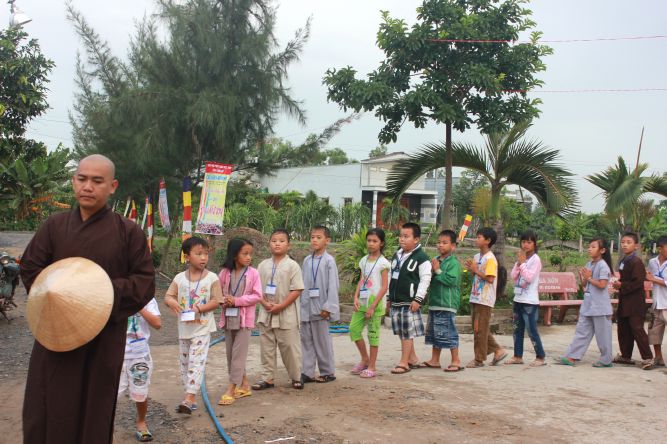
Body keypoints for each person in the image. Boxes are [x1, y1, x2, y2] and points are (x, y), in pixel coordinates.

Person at [20, 154, 155, 444]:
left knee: (93, 408)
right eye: (82, 179)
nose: (88, 187)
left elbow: (144, 283)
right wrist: (60, 297)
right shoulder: (54, 226)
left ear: (112, 186)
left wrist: (93, 295)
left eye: (97, 181)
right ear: (73, 181)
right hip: (55, 334)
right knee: (46, 405)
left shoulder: (128, 232)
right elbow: (31, 268)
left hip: (102, 337)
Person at [164, 236, 223, 414]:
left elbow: (217, 300)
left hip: (202, 328)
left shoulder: (212, 278)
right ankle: (190, 396)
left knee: (196, 362)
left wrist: (199, 308)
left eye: (206, 254)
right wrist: (171, 302)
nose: (203, 257)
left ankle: (189, 398)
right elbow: (168, 296)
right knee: (184, 362)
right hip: (184, 328)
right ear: (187, 256)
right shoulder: (179, 278)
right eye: (198, 253)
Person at [253, 229, 305, 390]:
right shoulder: (262, 265)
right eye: (274, 240)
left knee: (290, 347)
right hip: (266, 312)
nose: (277, 244)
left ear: (288, 245)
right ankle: (267, 378)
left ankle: (296, 377)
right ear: (269, 244)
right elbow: (256, 288)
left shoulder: (293, 266)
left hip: (286, 313)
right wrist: (264, 303)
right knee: (266, 348)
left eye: (282, 241)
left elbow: (297, 289)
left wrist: (281, 306)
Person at [217, 238, 262, 406]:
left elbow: (257, 296)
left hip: (244, 321)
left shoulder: (253, 273)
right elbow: (217, 293)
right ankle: (245, 385)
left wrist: (236, 300)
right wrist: (224, 300)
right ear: (235, 255)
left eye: (250, 254)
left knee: (237, 355)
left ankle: (231, 389)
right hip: (229, 318)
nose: (249, 257)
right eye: (245, 253)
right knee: (232, 354)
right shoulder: (224, 273)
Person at [558, 239, 614, 367]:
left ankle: (606, 360)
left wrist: (589, 277)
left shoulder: (603, 266)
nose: (589, 249)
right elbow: (584, 284)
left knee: (603, 336)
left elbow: (602, 285)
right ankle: (572, 357)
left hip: (600, 307)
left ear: (602, 250)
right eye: (589, 247)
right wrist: (584, 277)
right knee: (581, 331)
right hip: (588, 305)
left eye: (593, 247)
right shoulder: (589, 264)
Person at [387, 222, 432, 374]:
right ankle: (412, 358)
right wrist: (388, 297)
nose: (402, 239)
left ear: (416, 239)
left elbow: (425, 279)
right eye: (401, 236)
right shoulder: (397, 255)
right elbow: (390, 276)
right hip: (396, 300)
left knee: (407, 332)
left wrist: (418, 299)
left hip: (409, 300)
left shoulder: (422, 257)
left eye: (406, 236)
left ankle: (404, 362)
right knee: (401, 331)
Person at [118, 298, 162, 442]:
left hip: (140, 356)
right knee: (110, 394)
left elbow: (157, 323)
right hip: (116, 355)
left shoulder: (148, 300)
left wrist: (139, 307)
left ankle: (141, 422)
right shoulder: (115, 297)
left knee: (140, 392)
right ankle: (105, 425)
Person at [349, 228, 391, 379]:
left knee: (373, 335)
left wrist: (373, 307)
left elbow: (384, 287)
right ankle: (365, 359)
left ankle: (372, 366)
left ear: (381, 243)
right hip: (362, 302)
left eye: (375, 241)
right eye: (369, 240)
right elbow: (362, 280)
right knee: (353, 329)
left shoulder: (383, 263)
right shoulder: (364, 260)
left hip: (375, 304)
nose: (371, 243)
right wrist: (355, 297)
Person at [301, 226, 340, 383]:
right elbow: (302, 284)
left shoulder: (329, 261)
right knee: (306, 340)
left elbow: (333, 285)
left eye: (318, 237)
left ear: (327, 240)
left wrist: (328, 307)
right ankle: (307, 372)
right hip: (306, 307)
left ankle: (327, 371)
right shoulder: (307, 260)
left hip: (321, 308)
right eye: (312, 237)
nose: (314, 240)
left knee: (322, 341)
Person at [464, 227, 508, 368]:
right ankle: (498, 350)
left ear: (488, 241)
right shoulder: (477, 257)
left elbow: (490, 278)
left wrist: (476, 270)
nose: (476, 239)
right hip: (476, 296)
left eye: (479, 237)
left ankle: (479, 359)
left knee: (480, 329)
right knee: (478, 328)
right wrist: (472, 270)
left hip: (485, 299)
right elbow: (476, 275)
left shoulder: (490, 259)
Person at [421, 230, 463, 372]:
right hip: (435, 302)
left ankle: (456, 361)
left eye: (444, 243)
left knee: (449, 331)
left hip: (447, 304)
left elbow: (451, 280)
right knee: (435, 332)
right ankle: (435, 360)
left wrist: (437, 270)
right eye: (438, 242)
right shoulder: (435, 260)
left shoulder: (453, 263)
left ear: (453, 246)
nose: (440, 245)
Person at [612, 232, 653, 369]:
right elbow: (625, 279)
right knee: (623, 329)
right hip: (625, 300)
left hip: (635, 302)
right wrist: (619, 284)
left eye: (628, 242)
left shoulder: (636, 262)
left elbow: (637, 282)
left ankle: (648, 358)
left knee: (637, 329)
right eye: (623, 242)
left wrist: (621, 285)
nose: (625, 245)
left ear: (636, 246)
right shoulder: (624, 261)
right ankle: (625, 356)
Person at [506, 231, 546, 367]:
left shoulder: (536, 260)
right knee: (517, 329)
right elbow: (513, 276)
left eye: (529, 242)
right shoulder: (522, 259)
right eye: (523, 242)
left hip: (529, 301)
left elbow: (529, 278)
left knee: (532, 330)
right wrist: (519, 264)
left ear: (534, 244)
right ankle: (518, 356)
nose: (525, 245)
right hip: (518, 299)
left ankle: (540, 357)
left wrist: (522, 264)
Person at [646, 235, 667, 368]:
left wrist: (653, 279)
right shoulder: (652, 262)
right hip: (657, 303)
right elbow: (649, 275)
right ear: (660, 248)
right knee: (654, 332)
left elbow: (654, 279)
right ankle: (658, 357)